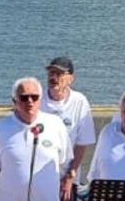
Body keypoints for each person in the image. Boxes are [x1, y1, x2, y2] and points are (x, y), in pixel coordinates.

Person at [0, 77, 72, 201]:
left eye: (34, 97)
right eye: (24, 97)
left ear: (40, 100)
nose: (30, 101)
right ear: (14, 100)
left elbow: (64, 160)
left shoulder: (56, 124)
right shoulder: (0, 127)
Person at [41, 57, 93, 194]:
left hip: (67, 178)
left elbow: (82, 144)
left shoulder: (79, 101)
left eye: (59, 74)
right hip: (39, 178)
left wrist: (70, 176)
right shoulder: (37, 100)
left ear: (70, 79)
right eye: (51, 73)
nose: (53, 77)